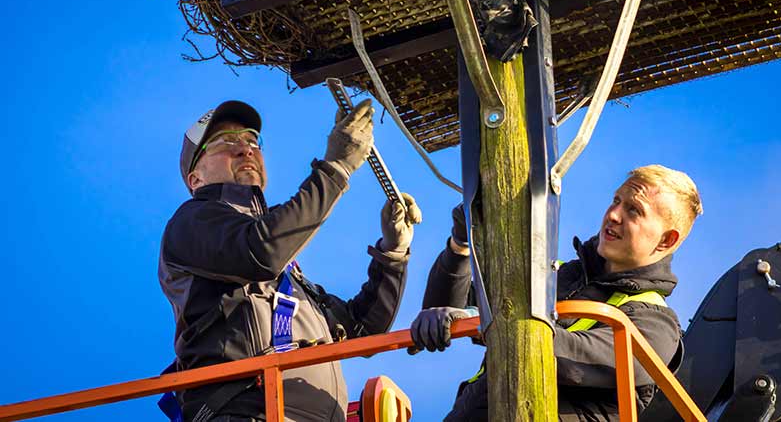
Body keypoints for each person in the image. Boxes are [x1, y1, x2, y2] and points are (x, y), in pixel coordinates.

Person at [159, 99, 421, 422]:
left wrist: (392, 254)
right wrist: (336, 168)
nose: (245, 149)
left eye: (252, 140)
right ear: (194, 178)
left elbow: (362, 329)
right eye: (225, 142)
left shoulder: (285, 269)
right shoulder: (191, 224)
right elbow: (263, 250)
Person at [410, 165, 702, 421]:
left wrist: (490, 322)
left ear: (667, 240)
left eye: (633, 210)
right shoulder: (555, 277)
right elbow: (446, 310)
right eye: (616, 201)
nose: (613, 215)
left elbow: (573, 357)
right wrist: (461, 245)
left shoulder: (655, 324)